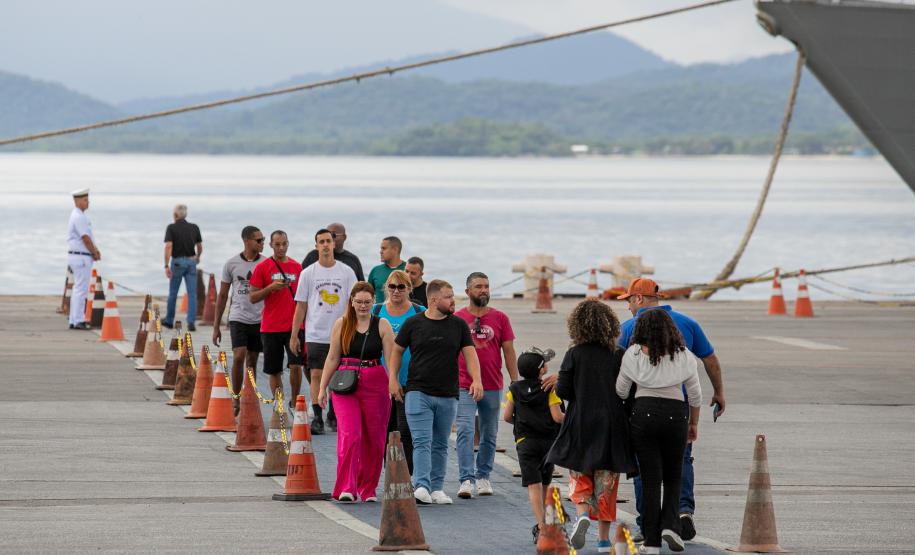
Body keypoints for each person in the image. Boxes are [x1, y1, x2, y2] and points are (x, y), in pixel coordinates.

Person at [617, 277, 725, 542]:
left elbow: (615, 372)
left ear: (639, 299)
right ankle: (681, 513)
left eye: (629, 300)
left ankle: (647, 524)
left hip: (640, 411)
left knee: (646, 470)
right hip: (680, 409)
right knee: (681, 462)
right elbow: (709, 359)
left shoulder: (629, 327)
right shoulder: (688, 325)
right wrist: (719, 392)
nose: (628, 307)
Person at [548, 300, 637, 553]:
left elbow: (563, 389)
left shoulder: (575, 353)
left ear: (577, 326)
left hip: (581, 421)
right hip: (612, 423)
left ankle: (582, 515)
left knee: (580, 474)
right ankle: (603, 540)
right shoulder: (619, 354)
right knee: (607, 482)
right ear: (610, 325)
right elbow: (627, 392)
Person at [388, 279, 484, 505]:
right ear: (433, 300)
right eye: (448, 296)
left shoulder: (459, 325)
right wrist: (393, 379)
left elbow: (470, 354)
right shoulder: (413, 323)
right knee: (422, 441)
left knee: (440, 443)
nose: (453, 300)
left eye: (452, 296)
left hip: (448, 394)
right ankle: (421, 485)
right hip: (417, 392)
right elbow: (397, 352)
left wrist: (477, 380)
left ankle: (437, 487)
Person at [616, 309, 701, 554]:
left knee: (651, 480)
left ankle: (652, 542)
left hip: (643, 414)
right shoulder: (684, 356)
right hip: (676, 415)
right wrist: (693, 424)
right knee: (674, 476)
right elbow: (695, 395)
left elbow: (621, 391)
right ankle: (672, 527)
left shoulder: (632, 354)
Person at [317, 282, 395, 502]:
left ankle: (368, 488)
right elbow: (332, 357)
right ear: (351, 301)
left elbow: (390, 359)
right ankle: (347, 486)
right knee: (351, 435)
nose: (363, 306)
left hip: (375, 382)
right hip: (345, 383)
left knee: (375, 438)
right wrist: (322, 388)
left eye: (367, 302)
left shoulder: (382, 324)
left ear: (373, 302)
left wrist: (394, 384)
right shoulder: (342, 324)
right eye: (359, 302)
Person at [454, 272, 519, 499]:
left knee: (490, 433)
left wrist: (515, 381)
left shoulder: (500, 318)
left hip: (492, 384)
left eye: (486, 286)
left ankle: (483, 476)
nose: (483, 290)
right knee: (465, 429)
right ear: (467, 292)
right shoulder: (458, 318)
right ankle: (466, 479)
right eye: (478, 286)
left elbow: (509, 351)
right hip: (464, 384)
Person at [290, 229, 358, 435]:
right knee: (316, 374)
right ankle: (318, 415)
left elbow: (353, 303)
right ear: (317, 245)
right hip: (315, 333)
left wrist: (352, 328)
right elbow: (301, 306)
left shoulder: (346, 272)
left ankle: (334, 415)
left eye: (329, 241)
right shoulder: (308, 273)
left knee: (338, 375)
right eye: (322, 242)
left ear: (334, 244)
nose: (326, 245)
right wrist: (294, 334)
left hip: (340, 332)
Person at [503, 349, 564, 545]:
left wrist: (522, 423)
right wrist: (572, 419)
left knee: (533, 486)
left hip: (525, 442)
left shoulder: (514, 389)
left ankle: (541, 526)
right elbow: (557, 417)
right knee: (545, 483)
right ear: (542, 369)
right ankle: (546, 522)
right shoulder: (550, 388)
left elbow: (506, 416)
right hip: (548, 442)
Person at [373, 270, 425, 474]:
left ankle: (407, 475)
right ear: (386, 288)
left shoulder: (419, 311)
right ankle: (391, 475)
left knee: (407, 430)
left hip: (411, 381)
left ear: (409, 289)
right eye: (392, 286)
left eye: (401, 287)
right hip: (382, 380)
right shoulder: (376, 312)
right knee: (385, 429)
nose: (396, 291)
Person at [249, 231, 304, 407]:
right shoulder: (263, 267)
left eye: (284, 244)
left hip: (293, 326)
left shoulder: (297, 267)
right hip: (271, 326)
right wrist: (270, 288)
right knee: (274, 370)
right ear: (271, 245)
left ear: (288, 244)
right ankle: (279, 405)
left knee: (296, 365)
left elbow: (305, 298)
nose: (281, 248)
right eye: (277, 244)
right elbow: (253, 297)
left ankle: (294, 403)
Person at [213, 226, 265, 414]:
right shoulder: (231, 264)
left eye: (263, 240)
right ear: (247, 241)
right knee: (238, 356)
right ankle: (236, 398)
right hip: (238, 317)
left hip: (259, 319)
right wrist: (216, 326)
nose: (262, 243)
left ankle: (249, 398)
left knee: (252, 360)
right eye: (258, 240)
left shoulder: (266, 263)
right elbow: (223, 295)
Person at [162, 204, 203, 331]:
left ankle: (169, 320)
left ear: (175, 215)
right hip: (191, 263)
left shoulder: (171, 228)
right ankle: (191, 322)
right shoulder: (194, 227)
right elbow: (199, 247)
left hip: (178, 263)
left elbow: (169, 246)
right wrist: (197, 257)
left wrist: (166, 265)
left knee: (173, 293)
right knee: (192, 294)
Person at [66, 188, 100, 330]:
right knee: (81, 289)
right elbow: (85, 238)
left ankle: (74, 319)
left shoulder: (77, 215)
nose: (88, 202)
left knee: (77, 289)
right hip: (81, 256)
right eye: (85, 200)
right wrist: (94, 252)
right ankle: (79, 319)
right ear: (78, 201)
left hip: (77, 255)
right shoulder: (79, 216)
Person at [367, 236, 405, 303]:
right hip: (378, 313)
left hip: (404, 312)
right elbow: (367, 296)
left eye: (384, 248)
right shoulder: (375, 271)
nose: (380, 252)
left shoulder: (408, 270)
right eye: (381, 249)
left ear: (395, 249)